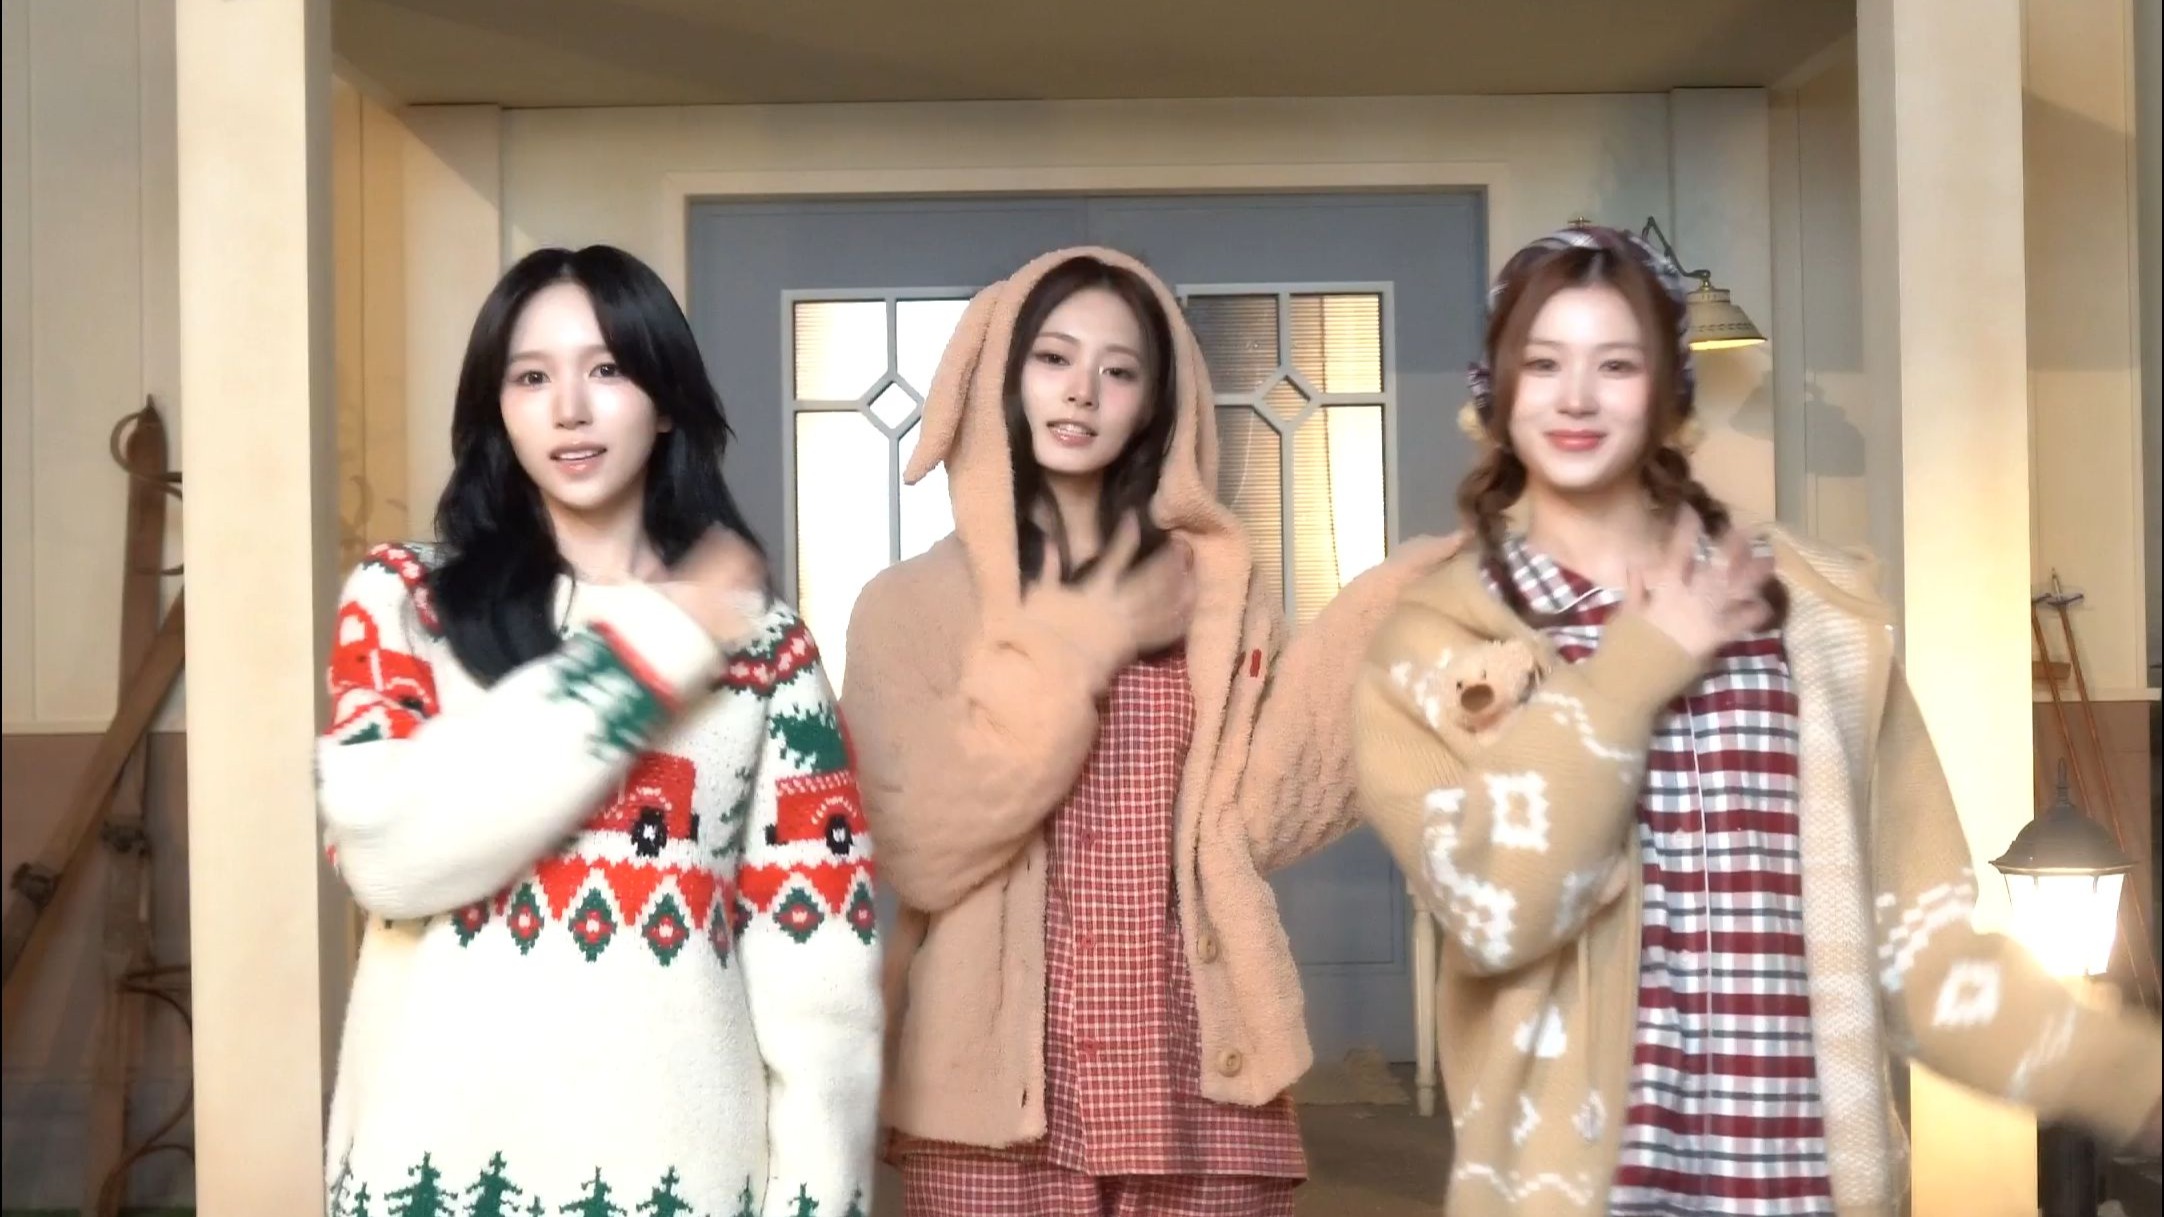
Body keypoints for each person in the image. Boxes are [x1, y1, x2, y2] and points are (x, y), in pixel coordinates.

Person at [1352, 223, 2164, 1217]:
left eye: (1617, 363)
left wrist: (2135, 1080)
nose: (1576, 397)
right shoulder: (1435, 640)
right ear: (1496, 390)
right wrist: (1638, 666)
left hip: (1798, 1189)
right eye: (1544, 363)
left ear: (1670, 392)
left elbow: (1925, 959)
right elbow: (1496, 912)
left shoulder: (1818, 623)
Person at [841, 248, 1454, 1216]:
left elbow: (1256, 818)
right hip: (989, 1091)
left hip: (1196, 1066)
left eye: (1119, 369)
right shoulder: (909, 604)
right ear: (1001, 375)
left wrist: (1392, 614)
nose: (1082, 390)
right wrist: (1090, 639)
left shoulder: (1217, 594)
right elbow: (922, 848)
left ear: (1158, 404)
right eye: (1053, 357)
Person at [317, 245, 880, 1217]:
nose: (569, 408)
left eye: (608, 368)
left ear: (664, 401)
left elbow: (819, 971)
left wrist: (817, 1199)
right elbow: (387, 858)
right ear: (497, 408)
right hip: (425, 1178)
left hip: (680, 1183)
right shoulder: (404, 596)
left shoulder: (765, 646)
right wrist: (650, 652)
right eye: (531, 377)